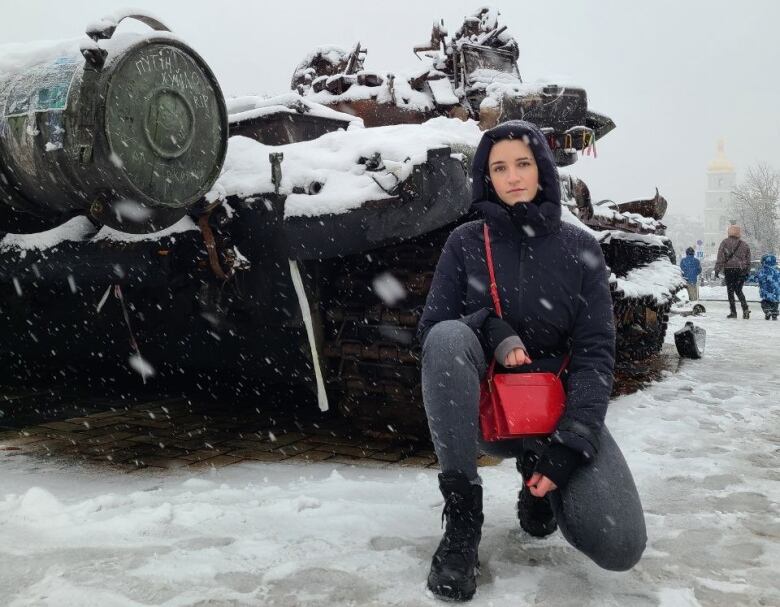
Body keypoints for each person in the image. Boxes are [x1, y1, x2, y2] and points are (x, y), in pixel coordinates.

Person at [417, 120, 646, 602]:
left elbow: (595, 353)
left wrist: (571, 443)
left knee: (621, 545)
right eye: (499, 167)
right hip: (488, 411)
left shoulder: (579, 248)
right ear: (487, 178)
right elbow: (431, 329)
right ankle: (463, 520)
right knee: (447, 338)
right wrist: (490, 326)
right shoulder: (465, 243)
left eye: (523, 163)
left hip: (554, 413)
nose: (513, 176)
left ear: (542, 168)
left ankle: (537, 475)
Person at [714, 225, 751, 319]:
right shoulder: (744, 244)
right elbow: (748, 259)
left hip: (729, 269)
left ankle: (733, 312)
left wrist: (717, 269)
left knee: (730, 291)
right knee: (738, 290)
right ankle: (745, 309)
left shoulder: (725, 243)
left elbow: (720, 257)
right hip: (740, 270)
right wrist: (746, 271)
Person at [754, 253, 780, 320]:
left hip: (766, 291)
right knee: (775, 302)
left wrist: (756, 279)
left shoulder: (763, 270)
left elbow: (757, 278)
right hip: (776, 291)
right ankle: (774, 314)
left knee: (764, 302)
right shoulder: (777, 270)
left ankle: (767, 311)